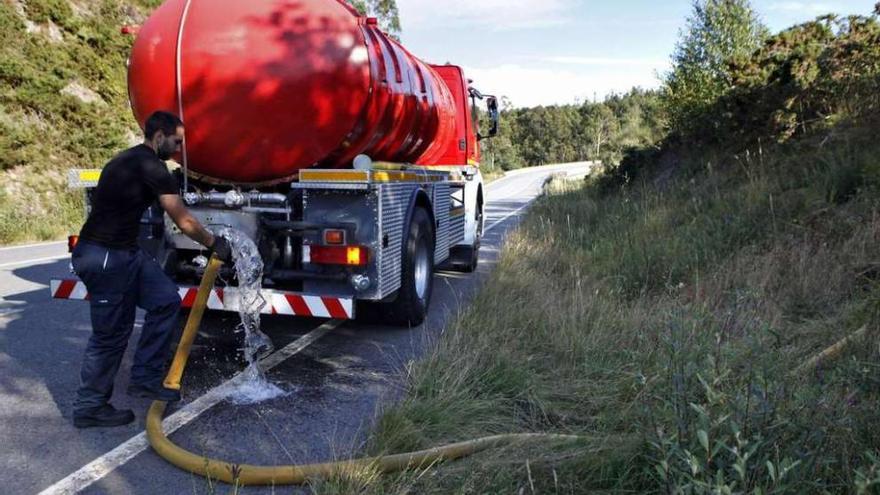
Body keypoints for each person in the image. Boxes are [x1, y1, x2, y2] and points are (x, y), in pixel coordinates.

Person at [70, 111, 232, 428]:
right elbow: (183, 220)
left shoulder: (126, 160)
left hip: (126, 252)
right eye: (176, 142)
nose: (177, 150)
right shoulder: (152, 166)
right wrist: (213, 242)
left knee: (165, 299)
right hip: (104, 257)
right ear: (159, 136)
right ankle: (89, 407)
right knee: (111, 336)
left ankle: (144, 377)